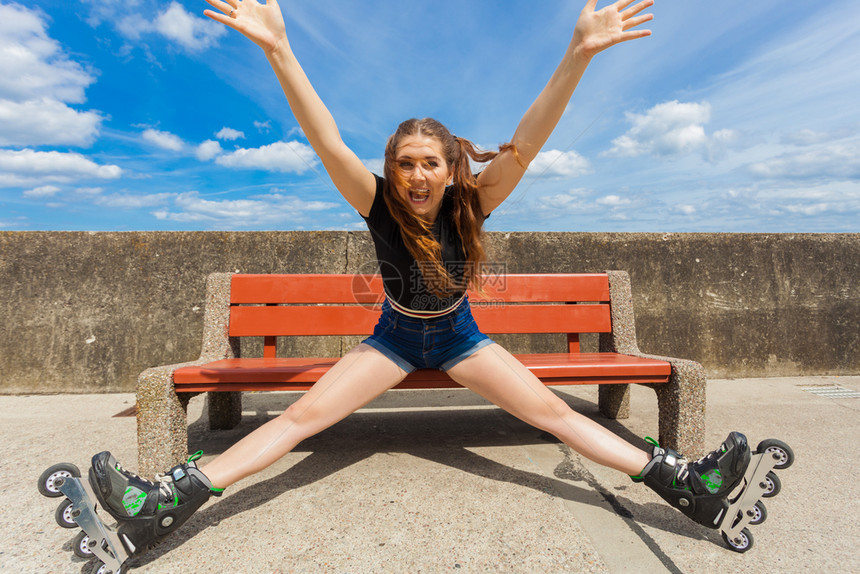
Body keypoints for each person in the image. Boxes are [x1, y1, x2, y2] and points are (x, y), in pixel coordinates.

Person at [76, 0, 765, 566]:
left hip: (462, 339)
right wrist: (280, 51)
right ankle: (163, 500)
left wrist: (578, 53)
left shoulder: (474, 202)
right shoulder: (375, 203)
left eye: (430, 162)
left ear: (450, 166)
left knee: (554, 413)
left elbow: (528, 143)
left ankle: (688, 487)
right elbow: (326, 143)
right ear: (392, 168)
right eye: (404, 163)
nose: (416, 176)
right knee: (299, 419)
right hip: (395, 339)